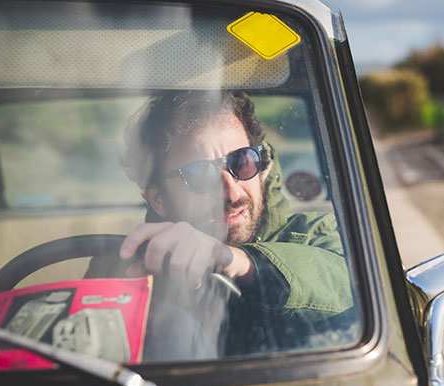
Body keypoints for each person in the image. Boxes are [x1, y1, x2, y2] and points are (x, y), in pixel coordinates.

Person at [97, 90, 355, 359]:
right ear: (159, 198)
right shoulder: (123, 264)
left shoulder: (321, 234)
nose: (231, 193)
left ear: (261, 164)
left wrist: (241, 263)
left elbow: (355, 287)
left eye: (242, 162)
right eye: (199, 175)